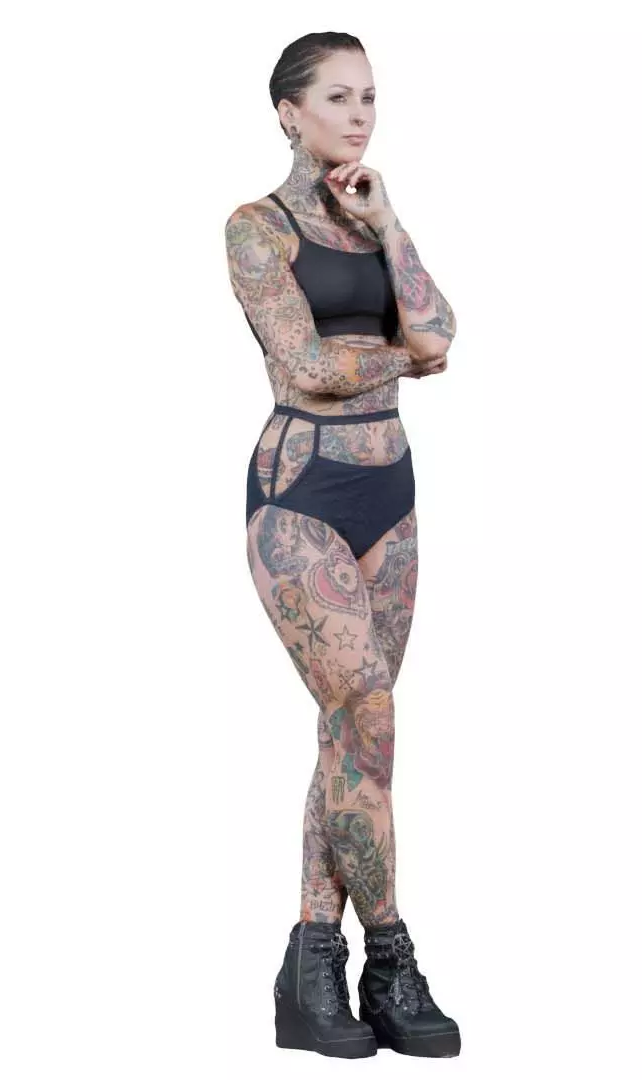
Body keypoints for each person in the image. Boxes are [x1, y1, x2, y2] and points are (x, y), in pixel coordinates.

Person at [223, 32, 461, 1060]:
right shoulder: (254, 228)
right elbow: (308, 364)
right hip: (302, 492)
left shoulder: (370, 224)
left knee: (353, 732)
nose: (359, 115)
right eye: (337, 97)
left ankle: (313, 964)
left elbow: (444, 327)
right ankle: (392, 955)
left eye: (368, 97)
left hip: (389, 492)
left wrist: (389, 222)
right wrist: (404, 356)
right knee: (365, 710)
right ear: (289, 112)